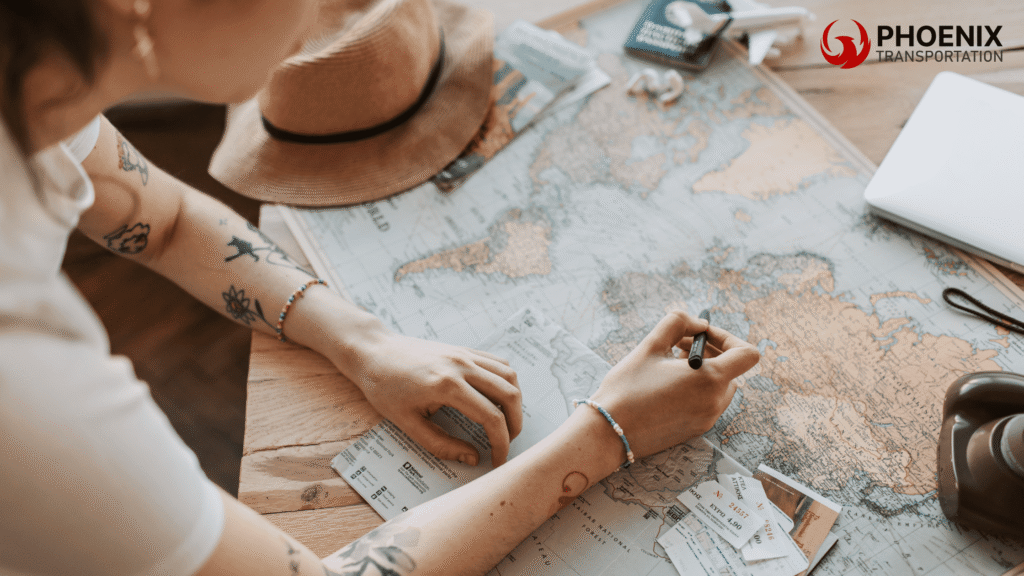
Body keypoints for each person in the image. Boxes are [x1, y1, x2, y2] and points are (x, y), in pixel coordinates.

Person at [0, 0, 760, 575]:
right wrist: (608, 433)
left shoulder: (34, 75)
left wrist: (363, 341)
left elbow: (161, 221)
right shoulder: (27, 389)